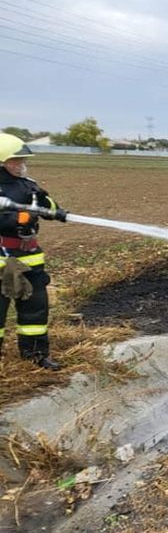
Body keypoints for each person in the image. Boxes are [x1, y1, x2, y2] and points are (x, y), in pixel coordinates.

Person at [0, 133, 67, 369]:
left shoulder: (29, 185)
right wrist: (17, 219)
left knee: (35, 310)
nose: (21, 165)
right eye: (15, 161)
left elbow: (47, 206)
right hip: (3, 260)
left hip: (30, 259)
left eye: (22, 160)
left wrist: (54, 209)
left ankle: (36, 354)